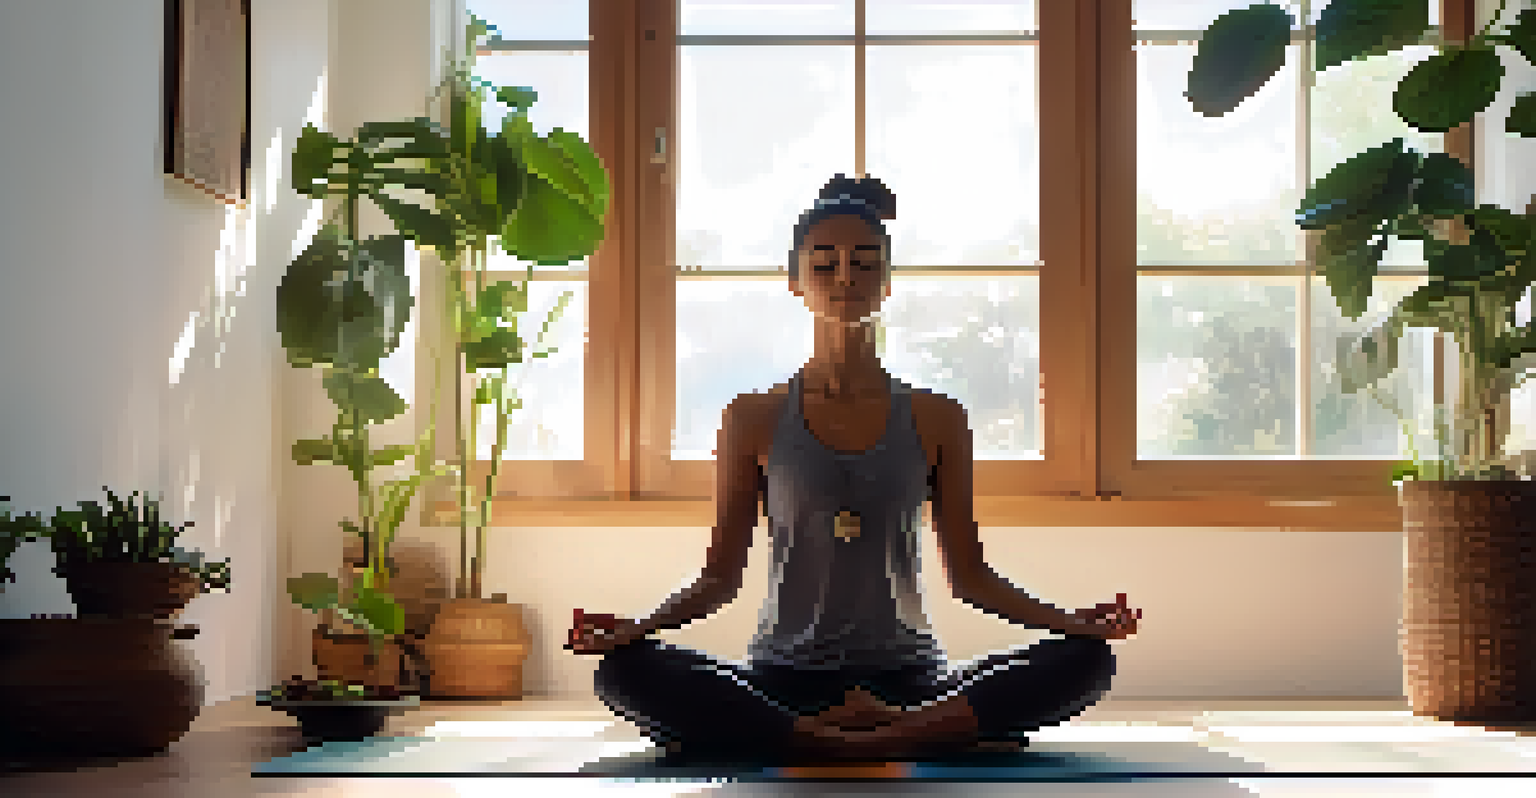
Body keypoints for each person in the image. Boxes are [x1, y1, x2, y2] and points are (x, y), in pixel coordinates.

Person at [568, 174, 1143, 763]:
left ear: (887, 282)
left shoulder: (938, 418)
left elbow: (970, 577)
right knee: (624, 672)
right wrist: (637, 627)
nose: (845, 277)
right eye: (825, 265)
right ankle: (861, 736)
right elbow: (719, 577)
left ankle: (856, 736)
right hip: (784, 678)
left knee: (1087, 660)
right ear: (794, 282)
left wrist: (1072, 621)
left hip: (910, 680)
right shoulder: (753, 417)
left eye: (865, 264)